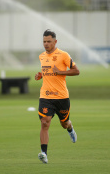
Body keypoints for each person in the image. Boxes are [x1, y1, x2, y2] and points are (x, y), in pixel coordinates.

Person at [35, 29, 80, 164]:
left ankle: (70, 128)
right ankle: (44, 153)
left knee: (64, 123)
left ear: (55, 41)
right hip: (45, 96)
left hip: (61, 97)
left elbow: (76, 71)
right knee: (45, 122)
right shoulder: (41, 56)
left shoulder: (63, 55)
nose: (46, 44)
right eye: (44, 41)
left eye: (49, 41)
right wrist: (40, 75)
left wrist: (60, 72)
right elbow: (47, 72)